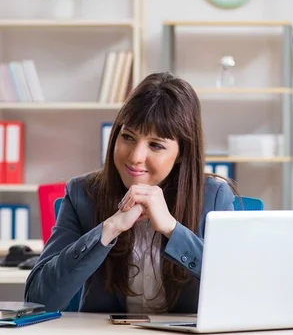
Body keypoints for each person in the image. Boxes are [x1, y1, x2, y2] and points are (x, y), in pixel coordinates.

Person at [24, 72, 237, 313]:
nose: (135, 157)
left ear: (182, 154)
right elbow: (38, 300)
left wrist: (172, 229)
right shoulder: (82, 194)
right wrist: (107, 230)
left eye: (156, 145)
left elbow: (237, 289)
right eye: (128, 137)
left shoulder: (214, 196)